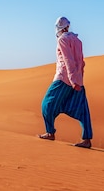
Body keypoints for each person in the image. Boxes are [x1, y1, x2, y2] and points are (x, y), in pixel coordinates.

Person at [38, 16, 93, 148]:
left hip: (63, 78)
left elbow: (68, 60)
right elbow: (81, 62)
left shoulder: (62, 40)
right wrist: (79, 80)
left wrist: (73, 80)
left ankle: (50, 132)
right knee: (82, 110)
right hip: (77, 79)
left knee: (47, 104)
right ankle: (87, 140)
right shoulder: (77, 40)